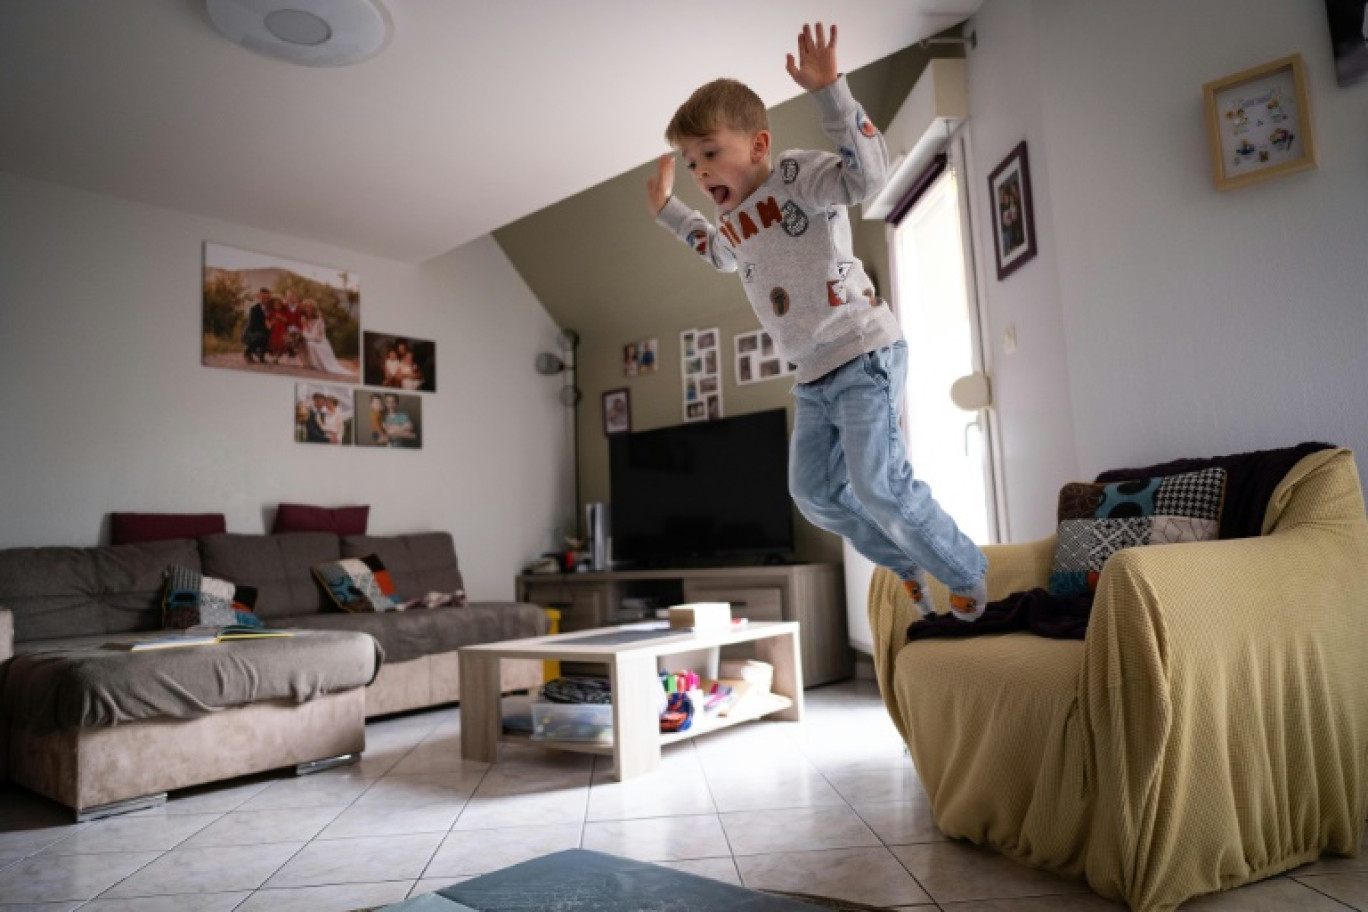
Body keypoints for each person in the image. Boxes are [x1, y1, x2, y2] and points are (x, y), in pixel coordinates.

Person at [646, 21, 988, 620]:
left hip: (862, 353)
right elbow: (719, 254)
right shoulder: (731, 225)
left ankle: (964, 572)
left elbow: (868, 177)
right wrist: (670, 212)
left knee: (879, 484)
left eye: (709, 154)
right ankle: (906, 563)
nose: (700, 173)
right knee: (812, 494)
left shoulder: (797, 177)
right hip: (812, 379)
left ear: (756, 145)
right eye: (690, 163)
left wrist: (831, 93)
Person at [300, 301, 351, 375]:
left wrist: (307, 336)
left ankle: (315, 365)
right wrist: (305, 325)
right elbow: (303, 333)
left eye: (309, 307)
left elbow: (318, 337)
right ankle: (308, 364)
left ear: (314, 309)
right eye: (306, 308)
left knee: (310, 344)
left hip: (320, 343)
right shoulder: (304, 320)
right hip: (311, 340)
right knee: (303, 343)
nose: (308, 309)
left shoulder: (319, 320)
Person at [241, 288, 271, 363]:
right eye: (263, 297)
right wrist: (267, 328)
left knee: (272, 335)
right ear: (259, 297)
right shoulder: (254, 309)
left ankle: (261, 355)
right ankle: (248, 351)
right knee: (263, 335)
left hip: (262, 331)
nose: (265, 300)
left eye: (267, 298)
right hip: (250, 333)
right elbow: (253, 326)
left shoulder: (270, 308)